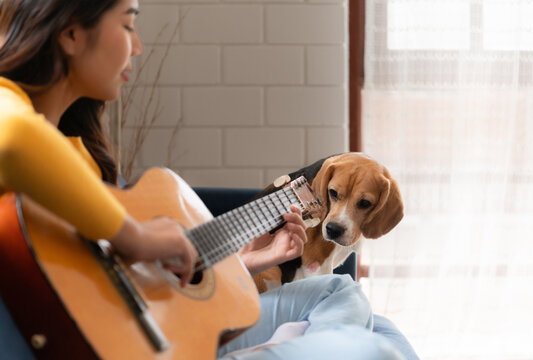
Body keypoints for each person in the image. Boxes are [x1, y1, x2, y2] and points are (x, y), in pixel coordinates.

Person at [0, 1, 414, 359]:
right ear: (71, 33)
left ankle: (290, 344)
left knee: (344, 295)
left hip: (161, 319)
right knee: (375, 348)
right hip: (140, 345)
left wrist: (252, 259)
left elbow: (136, 280)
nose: (139, 46)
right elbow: (15, 138)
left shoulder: (80, 148)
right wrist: (138, 237)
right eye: (128, 24)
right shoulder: (11, 110)